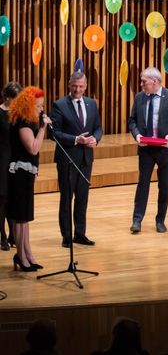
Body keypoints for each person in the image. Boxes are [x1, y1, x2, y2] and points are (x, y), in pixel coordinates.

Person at [128, 67, 168, 233]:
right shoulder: (139, 97)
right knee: (142, 184)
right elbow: (132, 121)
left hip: (165, 149)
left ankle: (160, 220)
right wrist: (137, 135)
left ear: (154, 81)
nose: (141, 84)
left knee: (164, 185)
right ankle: (137, 220)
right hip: (146, 149)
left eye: (144, 81)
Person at [50, 71, 102, 248]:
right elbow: (54, 133)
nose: (77, 89)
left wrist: (96, 139)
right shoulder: (59, 105)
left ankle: (80, 234)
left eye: (80, 86)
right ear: (69, 85)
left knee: (82, 197)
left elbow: (98, 128)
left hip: (86, 158)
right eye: (74, 86)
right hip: (67, 159)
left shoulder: (91, 104)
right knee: (66, 198)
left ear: (85, 86)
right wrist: (75, 139)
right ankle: (66, 236)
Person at [7, 86, 51, 271]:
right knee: (20, 218)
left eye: (41, 106)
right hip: (19, 173)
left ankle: (28, 255)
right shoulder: (23, 121)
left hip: (27, 173)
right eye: (38, 106)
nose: (41, 110)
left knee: (25, 218)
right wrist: (43, 128)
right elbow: (33, 148)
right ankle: (21, 256)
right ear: (28, 106)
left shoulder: (29, 120)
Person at [0, 81, 22, 251]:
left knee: (14, 198)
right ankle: (2, 235)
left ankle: (13, 235)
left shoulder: (20, 114)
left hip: (16, 160)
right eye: (14, 98)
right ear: (6, 97)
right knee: (2, 199)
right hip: (2, 160)